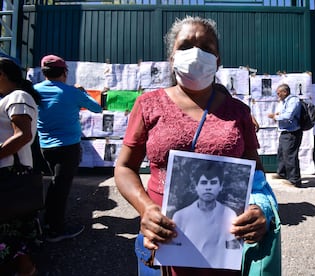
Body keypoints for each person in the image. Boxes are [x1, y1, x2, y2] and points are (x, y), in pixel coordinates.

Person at [115, 16, 276, 275]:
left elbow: (256, 173)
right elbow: (124, 167)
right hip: (162, 242)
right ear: (171, 57)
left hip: (222, 248)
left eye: (206, 48)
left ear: (218, 60)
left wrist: (262, 209)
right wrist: (145, 209)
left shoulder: (239, 112)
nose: (196, 54)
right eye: (186, 45)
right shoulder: (148, 104)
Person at [34, 54, 102, 242]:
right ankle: (55, 230)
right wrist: (83, 92)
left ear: (44, 72)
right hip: (68, 148)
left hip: (44, 147)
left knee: (56, 184)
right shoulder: (72, 92)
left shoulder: (34, 91)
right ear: (64, 72)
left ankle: (48, 222)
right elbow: (97, 109)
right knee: (60, 188)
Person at [0, 58, 41, 276]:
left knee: (11, 225)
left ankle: (26, 269)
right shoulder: (11, 98)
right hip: (9, 171)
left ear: (3, 75)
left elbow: (23, 135)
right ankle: (26, 269)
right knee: (13, 227)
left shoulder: (18, 97)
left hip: (10, 172)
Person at [172, 162, 240, 268]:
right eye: (204, 182)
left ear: (220, 186)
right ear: (196, 186)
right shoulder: (181, 216)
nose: (208, 187)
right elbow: (174, 250)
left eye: (213, 183)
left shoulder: (229, 214)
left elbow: (233, 251)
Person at [268, 83, 303, 187]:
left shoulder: (294, 101)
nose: (278, 95)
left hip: (292, 133)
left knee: (290, 156)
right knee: (282, 153)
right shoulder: (285, 101)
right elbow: (285, 113)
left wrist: (275, 116)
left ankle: (294, 180)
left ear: (285, 92)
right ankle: (282, 173)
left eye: (279, 93)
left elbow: (288, 116)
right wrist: (279, 115)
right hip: (285, 131)